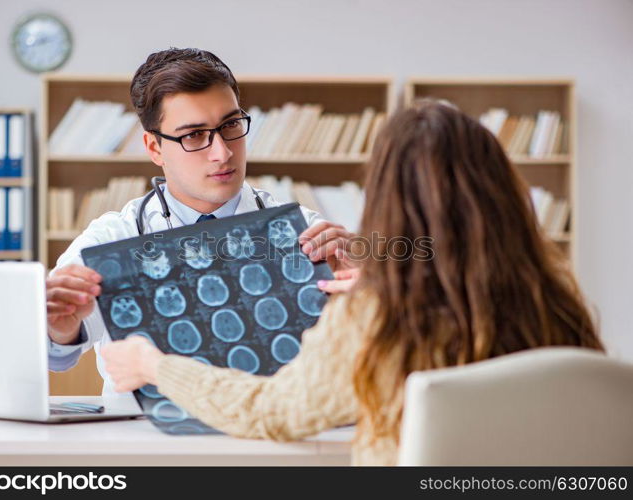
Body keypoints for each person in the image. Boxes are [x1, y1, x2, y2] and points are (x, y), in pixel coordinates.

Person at [101, 99, 604, 465]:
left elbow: (270, 412)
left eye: (231, 127)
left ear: (388, 201)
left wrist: (155, 364)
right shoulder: (555, 293)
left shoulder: (376, 316)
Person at [46, 48, 354, 395]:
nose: (222, 152)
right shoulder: (113, 237)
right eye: (194, 135)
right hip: (143, 439)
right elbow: (54, 356)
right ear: (154, 148)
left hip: (265, 436)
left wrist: (367, 300)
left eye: (231, 125)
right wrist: (61, 329)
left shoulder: (303, 231)